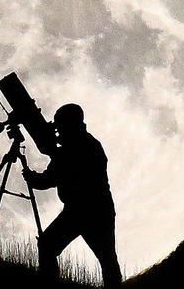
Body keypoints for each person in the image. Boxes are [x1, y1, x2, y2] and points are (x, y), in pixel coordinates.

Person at [20, 103, 122, 288]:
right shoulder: (84, 144)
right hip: (93, 210)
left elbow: (49, 180)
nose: (57, 129)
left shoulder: (76, 148)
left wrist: (32, 176)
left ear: (70, 124)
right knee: (107, 260)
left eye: (59, 125)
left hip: (86, 211)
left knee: (49, 246)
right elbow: (52, 176)